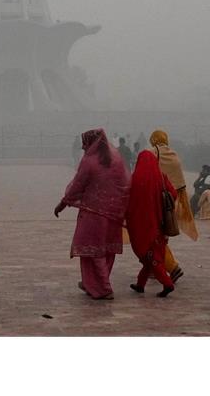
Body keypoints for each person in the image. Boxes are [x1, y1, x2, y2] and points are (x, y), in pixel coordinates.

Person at [54, 128, 129, 300]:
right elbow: (124, 185)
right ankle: (92, 284)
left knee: (93, 251)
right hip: (113, 214)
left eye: (84, 143)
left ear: (91, 143)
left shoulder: (89, 161)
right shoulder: (115, 159)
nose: (82, 146)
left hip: (93, 214)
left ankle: (103, 287)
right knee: (107, 250)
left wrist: (62, 204)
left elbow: (77, 186)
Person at [148, 129, 198, 283]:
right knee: (161, 236)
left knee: (152, 237)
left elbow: (147, 177)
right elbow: (180, 184)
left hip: (155, 202)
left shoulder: (152, 153)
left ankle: (172, 267)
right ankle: (154, 268)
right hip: (171, 203)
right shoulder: (174, 155)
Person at [125, 150, 177, 297]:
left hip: (139, 225)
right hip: (158, 223)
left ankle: (167, 283)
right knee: (151, 255)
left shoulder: (135, 179)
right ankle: (140, 284)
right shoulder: (161, 177)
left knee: (150, 256)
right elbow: (173, 194)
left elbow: (128, 202)